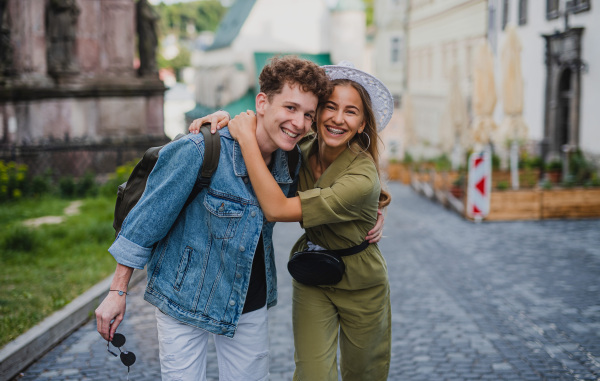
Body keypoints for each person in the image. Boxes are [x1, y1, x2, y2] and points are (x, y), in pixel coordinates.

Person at [94, 56, 331, 381]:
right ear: (262, 102)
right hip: (184, 298)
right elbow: (144, 223)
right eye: (290, 108)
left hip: (248, 300)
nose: (299, 123)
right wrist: (116, 293)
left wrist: (372, 210)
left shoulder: (291, 161)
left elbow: (335, 183)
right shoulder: (201, 149)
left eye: (308, 114)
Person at [191, 61, 393, 380]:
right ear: (317, 113)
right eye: (329, 107)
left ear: (362, 122)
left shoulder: (363, 176)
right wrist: (225, 123)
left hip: (361, 282)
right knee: (312, 374)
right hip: (313, 269)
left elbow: (278, 209)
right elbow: (268, 129)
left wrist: (244, 139)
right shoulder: (300, 150)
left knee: (364, 373)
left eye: (351, 111)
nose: (338, 118)